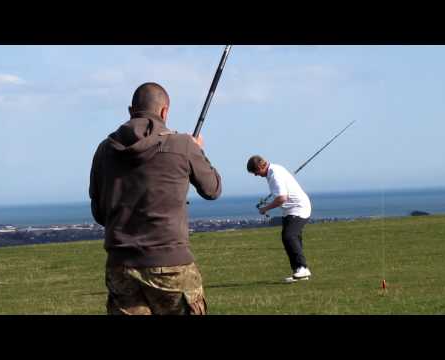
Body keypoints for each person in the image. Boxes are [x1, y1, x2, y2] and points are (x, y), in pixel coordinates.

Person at [89, 82, 222, 315]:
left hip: (121, 265)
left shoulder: (104, 150)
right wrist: (197, 151)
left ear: (131, 111)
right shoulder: (182, 145)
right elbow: (212, 189)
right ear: (164, 112)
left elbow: (100, 213)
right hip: (171, 263)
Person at [247, 155, 312, 283]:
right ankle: (299, 272)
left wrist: (266, 208)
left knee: (289, 236)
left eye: (256, 172)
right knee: (293, 237)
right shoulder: (275, 170)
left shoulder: (274, 174)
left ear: (261, 166)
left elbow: (282, 198)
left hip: (298, 208)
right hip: (290, 209)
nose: (256, 175)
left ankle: (302, 268)